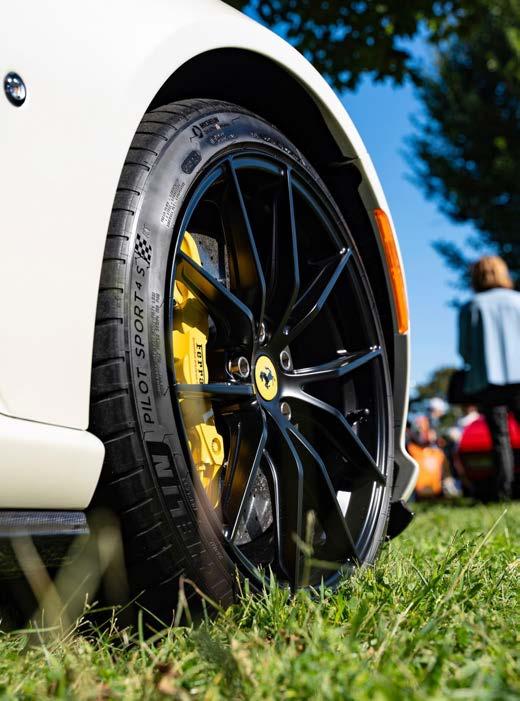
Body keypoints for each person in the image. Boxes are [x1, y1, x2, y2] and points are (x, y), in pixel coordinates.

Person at [458, 256, 520, 499]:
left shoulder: (472, 307)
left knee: (500, 438)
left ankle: (504, 491)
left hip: (488, 380)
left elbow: (464, 350)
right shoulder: (517, 301)